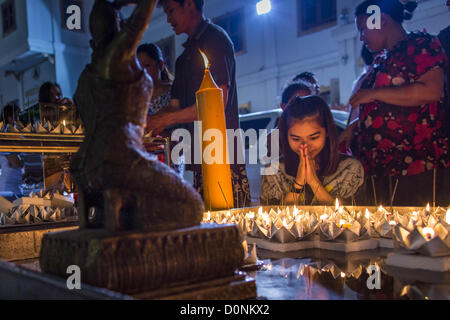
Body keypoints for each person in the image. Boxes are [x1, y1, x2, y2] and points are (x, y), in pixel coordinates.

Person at [70, 0, 203, 231]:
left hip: (85, 163)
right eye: (122, 23)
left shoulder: (85, 77)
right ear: (120, 28)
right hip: (120, 162)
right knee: (193, 207)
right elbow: (139, 20)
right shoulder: (117, 58)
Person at [147, 0, 250, 207]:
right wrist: (148, 122)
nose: (168, 19)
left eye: (171, 11)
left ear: (189, 4)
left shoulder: (215, 40)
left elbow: (217, 102)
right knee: (207, 228)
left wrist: (166, 118)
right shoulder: (183, 57)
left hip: (222, 153)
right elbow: (175, 106)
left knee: (232, 226)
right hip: (199, 157)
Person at [348, 0, 449, 206]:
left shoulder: (421, 45)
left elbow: (431, 90)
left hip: (417, 167)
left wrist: (375, 94)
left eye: (363, 29)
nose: (361, 37)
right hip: (382, 171)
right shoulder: (380, 61)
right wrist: (348, 132)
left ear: (381, 20)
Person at [260, 96, 364, 206]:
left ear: (327, 132)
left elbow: (352, 219)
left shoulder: (349, 169)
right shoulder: (275, 172)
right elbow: (272, 219)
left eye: (313, 138)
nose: (305, 146)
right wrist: (298, 184)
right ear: (286, 136)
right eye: (296, 139)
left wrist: (314, 183)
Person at [137, 43, 183, 176]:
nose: (143, 72)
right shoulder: (136, 98)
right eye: (139, 67)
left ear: (160, 65)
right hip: (144, 158)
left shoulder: (174, 92)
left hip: (171, 156)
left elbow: (181, 130)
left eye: (147, 65)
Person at [0, 104, 24, 199]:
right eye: (17, 115)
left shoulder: (12, 134)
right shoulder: (4, 134)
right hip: (8, 187)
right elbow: (16, 163)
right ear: (10, 117)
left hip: (15, 184)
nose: (18, 119)